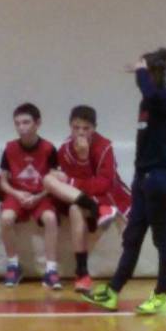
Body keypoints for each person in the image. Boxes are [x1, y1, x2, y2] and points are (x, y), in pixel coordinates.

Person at [83, 48, 166, 314]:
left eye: (144, 70)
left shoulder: (164, 97)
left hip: (163, 178)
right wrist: (138, 176)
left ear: (152, 72)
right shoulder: (147, 103)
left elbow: (149, 91)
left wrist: (140, 70)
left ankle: (161, 296)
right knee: (132, 236)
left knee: (162, 240)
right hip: (144, 178)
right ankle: (113, 292)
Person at [43, 105, 132, 294]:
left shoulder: (104, 146)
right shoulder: (65, 148)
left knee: (75, 207)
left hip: (105, 195)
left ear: (94, 128)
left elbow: (103, 184)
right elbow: (68, 184)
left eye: (86, 128)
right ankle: (97, 210)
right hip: (81, 197)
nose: (81, 133)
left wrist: (82, 159)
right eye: (76, 128)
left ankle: (81, 273)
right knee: (48, 180)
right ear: (70, 127)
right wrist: (69, 179)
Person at [0, 103, 62, 289]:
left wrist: (38, 197)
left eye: (26, 122)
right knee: (6, 218)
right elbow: (3, 182)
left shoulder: (49, 148)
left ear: (37, 123)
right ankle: (13, 266)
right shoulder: (9, 148)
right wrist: (17, 193)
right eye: (17, 123)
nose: (21, 127)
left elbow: (55, 182)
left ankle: (51, 270)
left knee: (50, 218)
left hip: (41, 195)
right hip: (17, 194)